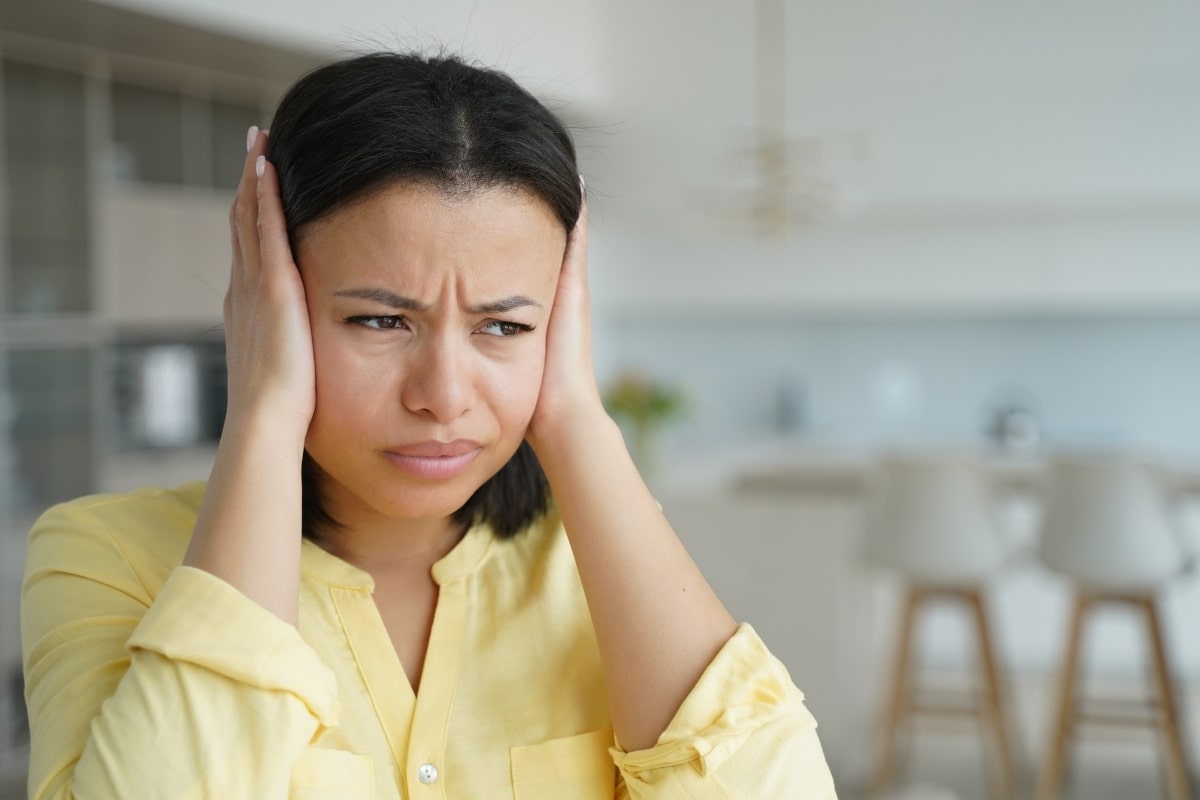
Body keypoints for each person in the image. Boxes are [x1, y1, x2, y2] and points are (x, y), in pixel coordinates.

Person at [21, 52, 838, 799]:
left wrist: (577, 418)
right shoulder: (104, 557)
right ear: (273, 305)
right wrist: (264, 414)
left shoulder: (601, 559)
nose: (443, 397)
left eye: (505, 327)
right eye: (381, 321)